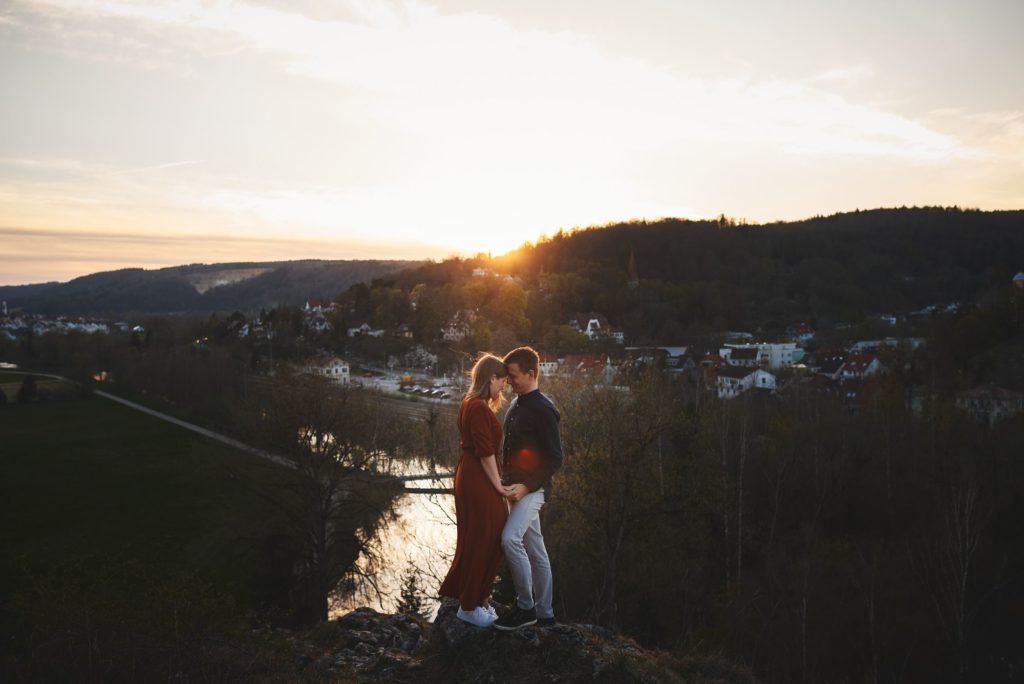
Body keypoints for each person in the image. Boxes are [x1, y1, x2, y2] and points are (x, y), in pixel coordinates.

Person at [493, 346, 563, 630]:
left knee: (510, 539)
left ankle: (526, 608)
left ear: (531, 374)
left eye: (513, 376)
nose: (509, 381)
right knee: (536, 550)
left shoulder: (544, 409)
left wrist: (526, 487)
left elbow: (555, 458)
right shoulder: (516, 404)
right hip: (514, 489)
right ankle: (545, 615)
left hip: (533, 490)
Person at [439, 353, 510, 627]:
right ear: (491, 378)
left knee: (480, 535)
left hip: (469, 474)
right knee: (486, 536)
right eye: (501, 382)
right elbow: (485, 452)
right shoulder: (478, 407)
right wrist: (498, 485)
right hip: (478, 476)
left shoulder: (469, 402)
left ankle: (478, 599)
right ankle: (468, 607)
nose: (502, 388)